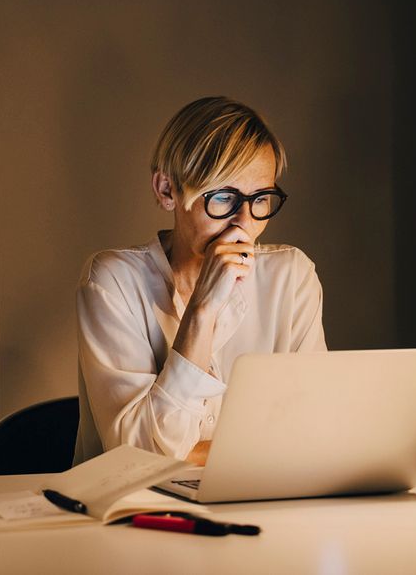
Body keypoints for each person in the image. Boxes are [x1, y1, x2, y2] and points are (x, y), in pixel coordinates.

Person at [73, 96, 326, 467]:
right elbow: (139, 459)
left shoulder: (291, 276)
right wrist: (202, 310)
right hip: (131, 511)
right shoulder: (112, 280)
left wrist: (198, 455)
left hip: (260, 500)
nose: (244, 223)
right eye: (223, 198)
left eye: (261, 199)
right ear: (166, 191)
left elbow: (313, 433)